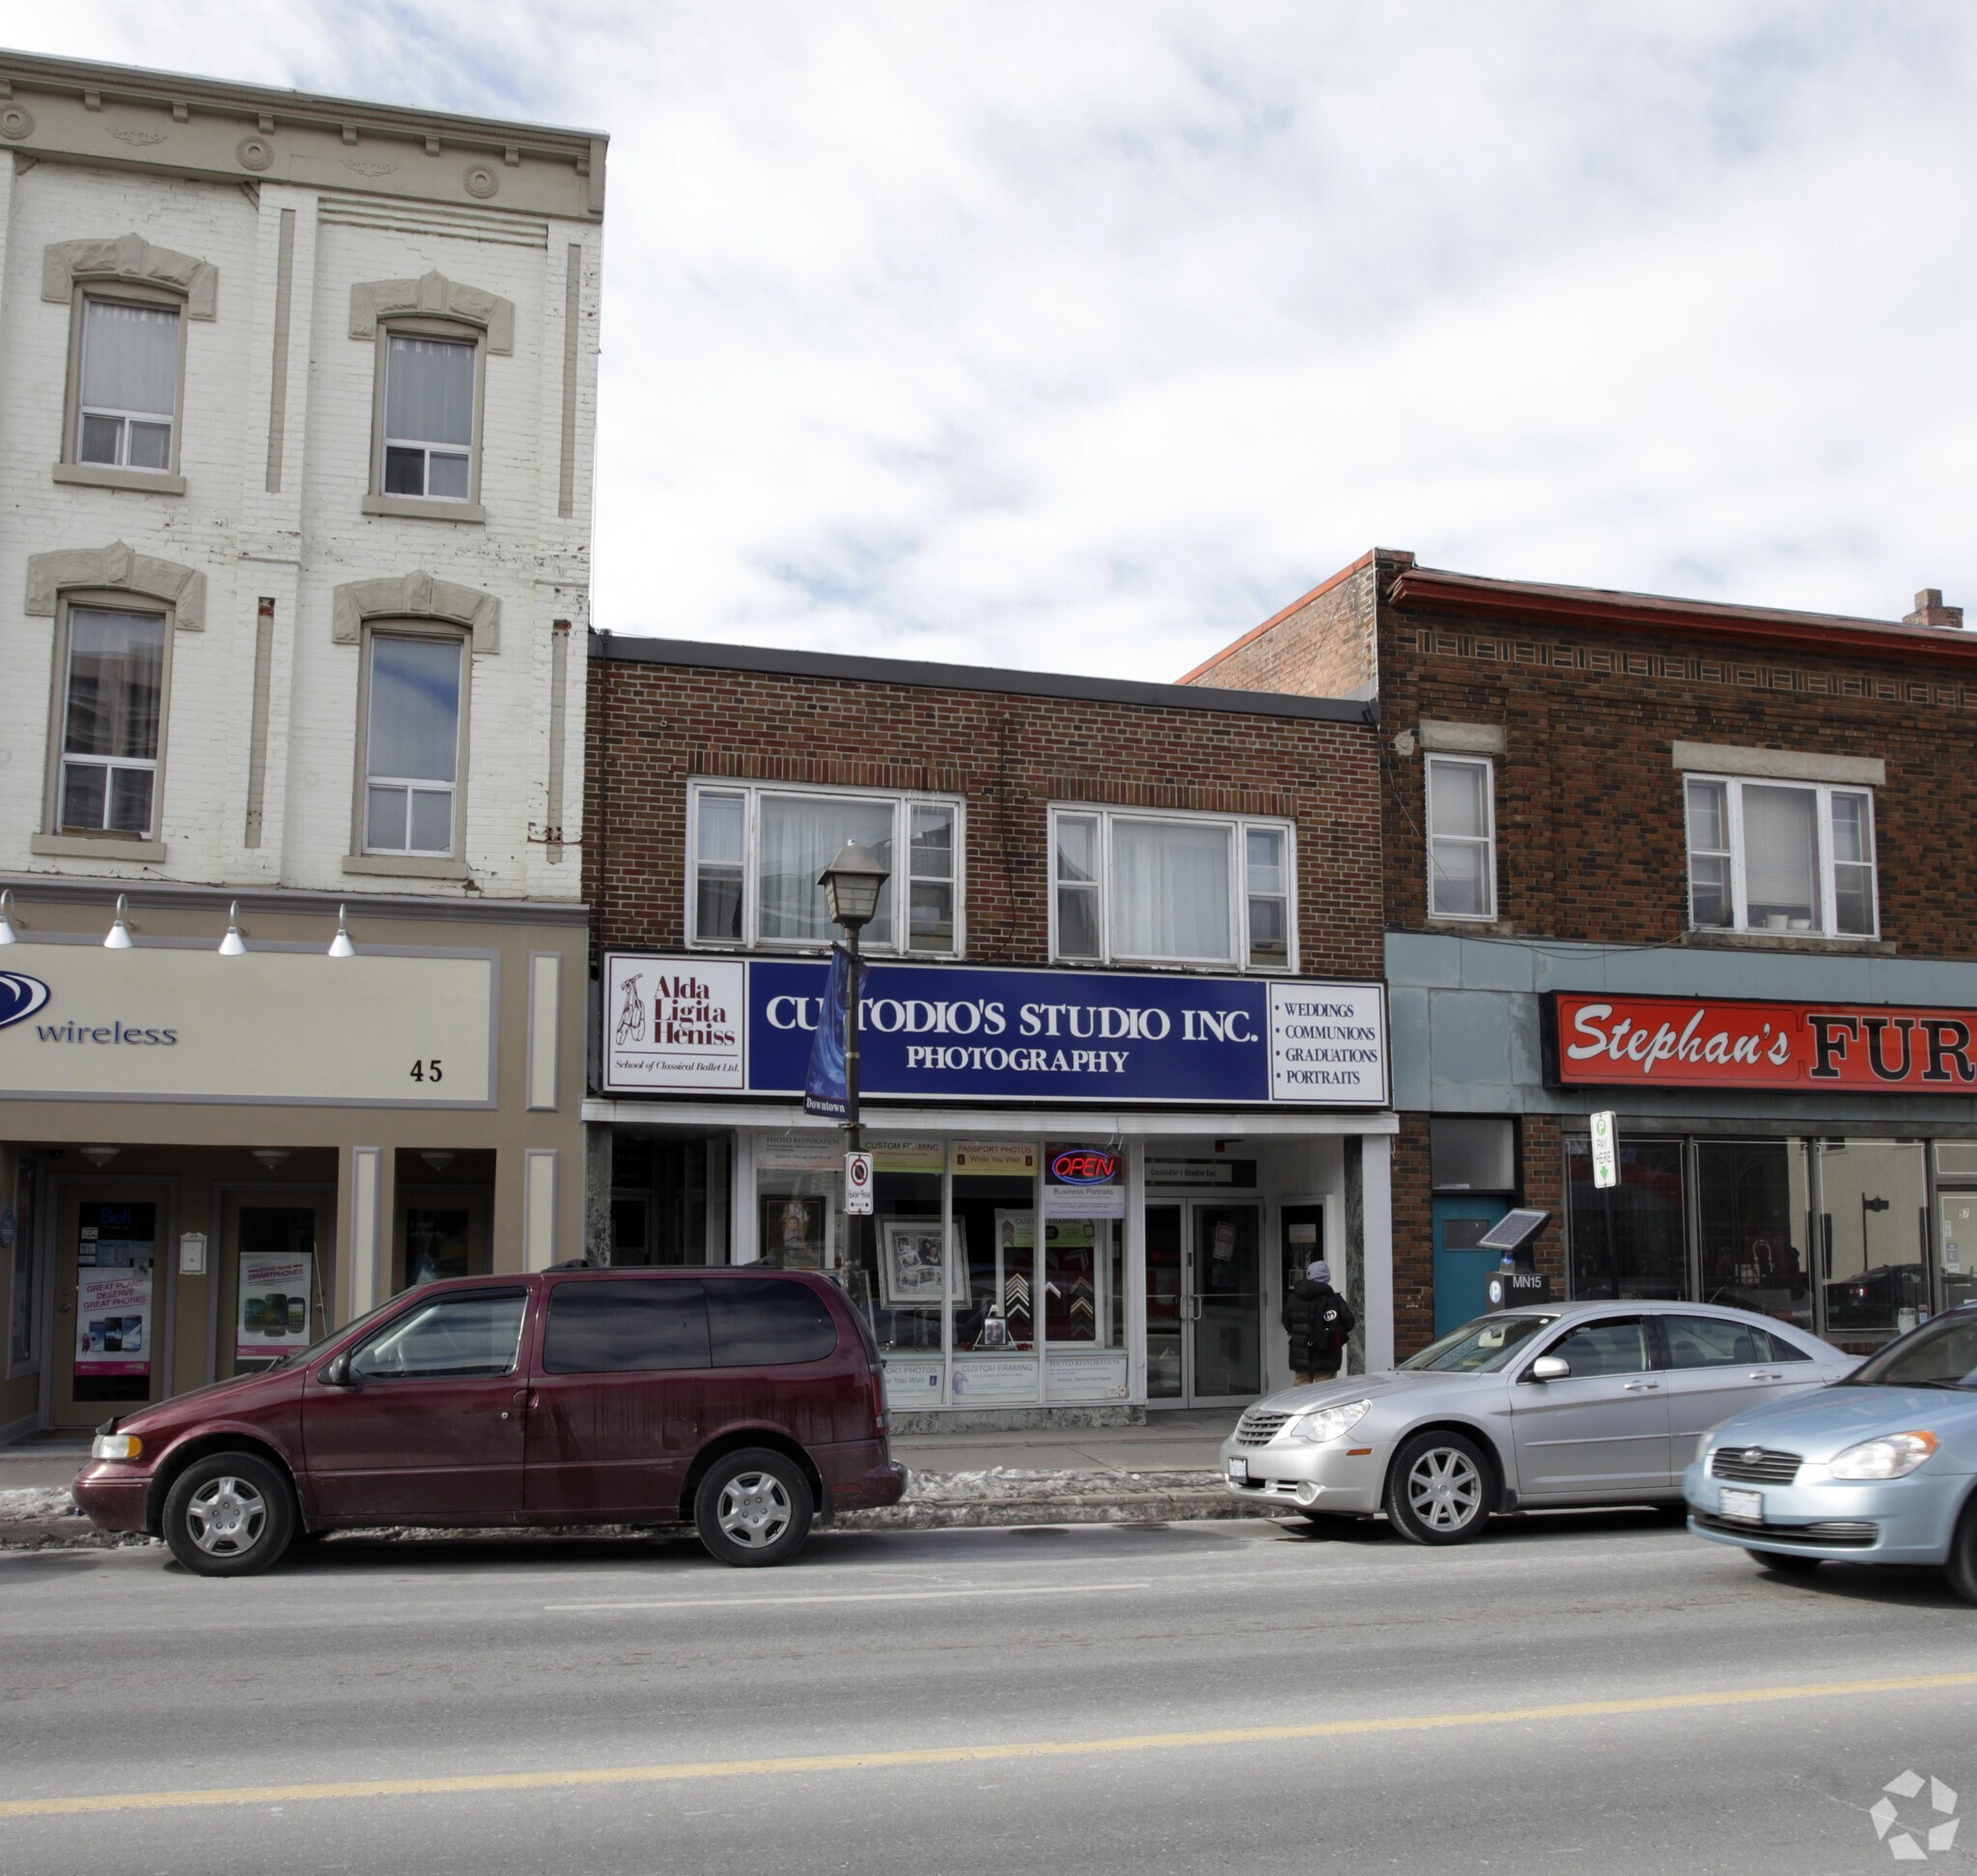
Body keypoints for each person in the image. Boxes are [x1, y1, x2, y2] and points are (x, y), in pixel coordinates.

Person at [1284, 1258, 1355, 1385]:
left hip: (1301, 1355)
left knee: (1301, 1394)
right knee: (1325, 1394)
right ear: (1327, 1278)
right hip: (1326, 1356)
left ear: (1309, 1275)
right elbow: (1349, 1323)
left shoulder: (1294, 1298)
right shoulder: (1334, 1300)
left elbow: (1287, 1323)